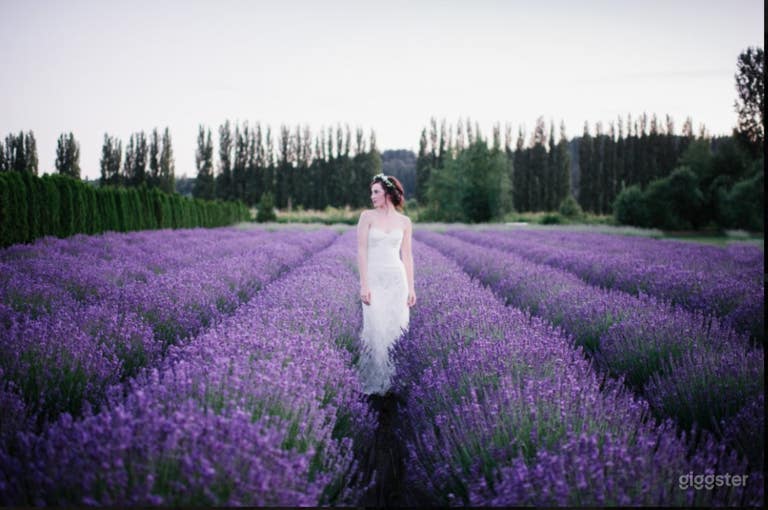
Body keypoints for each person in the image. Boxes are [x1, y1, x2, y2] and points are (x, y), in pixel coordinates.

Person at [356, 173, 416, 396]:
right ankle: (376, 382)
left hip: (397, 281)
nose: (372, 196)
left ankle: (394, 382)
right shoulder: (367, 217)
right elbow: (361, 251)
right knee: (375, 327)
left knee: (396, 328)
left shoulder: (405, 222)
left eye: (376, 192)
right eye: (372, 192)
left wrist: (411, 288)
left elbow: (407, 256)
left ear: (388, 193)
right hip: (374, 279)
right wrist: (364, 285)